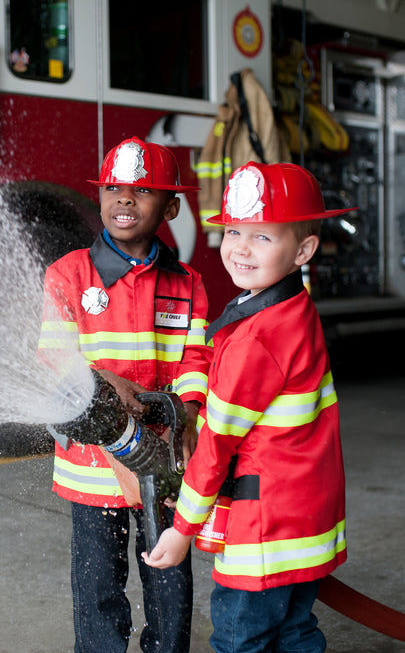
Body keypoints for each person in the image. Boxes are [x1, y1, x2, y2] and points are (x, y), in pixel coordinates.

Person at [143, 161, 351, 653]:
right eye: (234, 230)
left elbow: (218, 444)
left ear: (303, 250)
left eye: (261, 237)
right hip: (307, 522)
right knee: (296, 632)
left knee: (241, 641)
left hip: (264, 535)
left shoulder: (257, 337)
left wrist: (181, 530)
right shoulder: (293, 308)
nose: (239, 247)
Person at [37, 136, 211, 653]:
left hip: (162, 464)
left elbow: (194, 362)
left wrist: (188, 418)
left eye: (142, 191)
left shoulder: (188, 284)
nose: (125, 200)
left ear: (172, 207)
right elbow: (52, 357)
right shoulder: (67, 275)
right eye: (113, 188)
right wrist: (99, 379)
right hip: (91, 469)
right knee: (97, 588)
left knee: (169, 579)